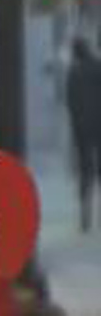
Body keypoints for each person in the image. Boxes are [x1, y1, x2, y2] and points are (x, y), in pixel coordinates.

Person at [66, 37, 101, 232]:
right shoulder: (98, 67)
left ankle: (85, 215)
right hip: (99, 126)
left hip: (81, 129)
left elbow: (70, 102)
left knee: (85, 171)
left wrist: (75, 125)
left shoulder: (74, 72)